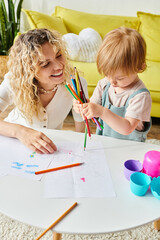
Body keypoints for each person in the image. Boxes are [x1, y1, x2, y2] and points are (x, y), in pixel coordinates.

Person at [0, 28, 88, 153]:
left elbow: (81, 132)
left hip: (48, 147)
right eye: (45, 64)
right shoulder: (14, 81)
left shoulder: (76, 84)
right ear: (28, 70)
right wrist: (21, 132)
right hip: (13, 141)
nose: (59, 66)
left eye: (59, 55)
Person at [73, 27, 152, 142]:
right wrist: (83, 107)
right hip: (106, 143)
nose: (112, 81)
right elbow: (93, 112)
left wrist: (101, 111)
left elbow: (127, 128)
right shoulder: (104, 84)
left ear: (140, 68)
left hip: (131, 148)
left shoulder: (140, 96)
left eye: (119, 78)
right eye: (107, 74)